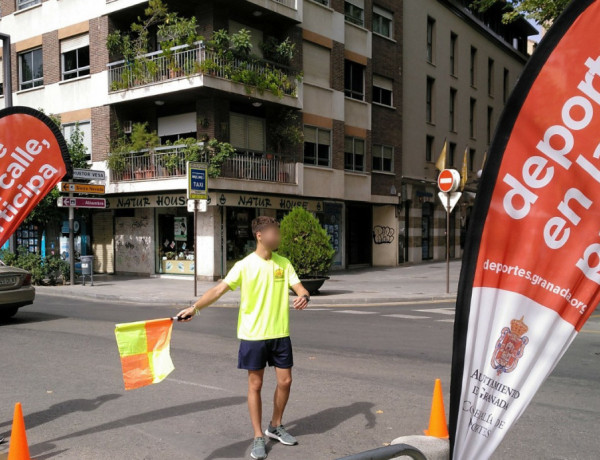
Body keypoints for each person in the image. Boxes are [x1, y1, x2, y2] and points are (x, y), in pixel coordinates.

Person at [177, 216, 310, 460]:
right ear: (260, 235)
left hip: (280, 333)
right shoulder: (244, 265)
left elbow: (299, 286)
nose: (278, 237)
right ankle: (258, 436)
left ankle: (275, 425)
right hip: (254, 335)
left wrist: (304, 295)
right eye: (274, 232)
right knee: (255, 385)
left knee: (286, 381)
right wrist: (195, 308)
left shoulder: (284, 263)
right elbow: (218, 290)